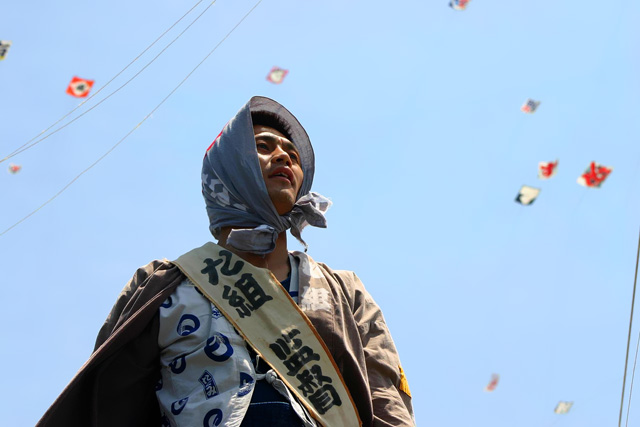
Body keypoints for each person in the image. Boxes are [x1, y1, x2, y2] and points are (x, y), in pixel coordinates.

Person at [37, 96, 414, 427]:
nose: (284, 155)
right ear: (229, 168)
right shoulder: (163, 284)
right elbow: (111, 399)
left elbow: (385, 398)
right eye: (264, 146)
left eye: (293, 154)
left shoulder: (343, 291)